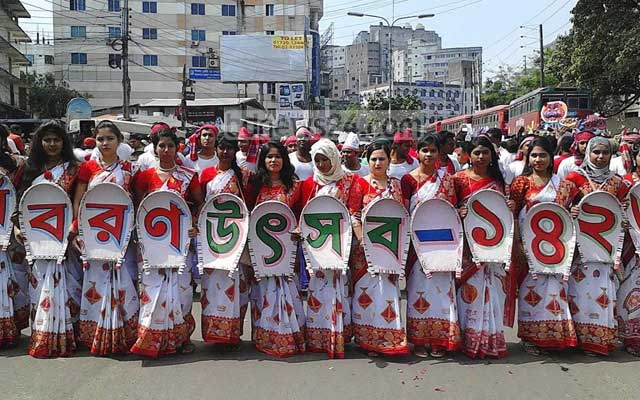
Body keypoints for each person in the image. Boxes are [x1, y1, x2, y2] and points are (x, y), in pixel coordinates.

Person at [130, 128, 203, 357]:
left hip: (181, 243)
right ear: (154, 148)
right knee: (152, 291)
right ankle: (151, 338)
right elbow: (138, 206)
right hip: (152, 244)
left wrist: (194, 224)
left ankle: (182, 339)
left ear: (177, 148)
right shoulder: (144, 176)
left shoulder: (189, 176)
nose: (166, 150)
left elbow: (199, 205)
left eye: (171, 145)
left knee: (181, 291)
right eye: (161, 146)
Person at [71, 121, 139, 355]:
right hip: (94, 234)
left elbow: (135, 201)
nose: (105, 143)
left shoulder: (130, 169)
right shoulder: (87, 168)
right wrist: (77, 228)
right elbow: (79, 200)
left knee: (125, 280)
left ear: (119, 141)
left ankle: (125, 335)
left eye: (110, 138)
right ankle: (95, 334)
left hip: (121, 235)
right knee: (95, 282)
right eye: (100, 139)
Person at [561, 136, 631, 356]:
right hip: (579, 252)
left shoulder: (618, 183)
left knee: (603, 293)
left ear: (611, 155)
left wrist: (625, 218)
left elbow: (626, 210)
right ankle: (578, 339)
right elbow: (556, 209)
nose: (600, 157)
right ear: (588, 154)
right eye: (596, 152)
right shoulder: (572, 178)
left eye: (605, 153)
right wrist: (568, 212)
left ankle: (599, 341)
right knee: (579, 294)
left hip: (605, 251)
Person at [17, 120, 81, 357]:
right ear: (39, 143)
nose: (52, 144)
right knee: (40, 287)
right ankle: (44, 335)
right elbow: (21, 200)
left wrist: (74, 228)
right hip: (38, 237)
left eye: (57, 140)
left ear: (64, 142)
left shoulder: (73, 169)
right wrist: (17, 226)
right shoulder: (30, 168)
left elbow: (79, 201)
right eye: (47, 140)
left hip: (65, 238)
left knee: (70, 286)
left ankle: (68, 335)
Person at [509, 136, 577, 355]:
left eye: (543, 155)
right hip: (528, 246)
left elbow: (569, 214)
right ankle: (531, 336)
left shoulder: (565, 185)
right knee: (530, 289)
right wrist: (517, 243)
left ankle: (555, 335)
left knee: (555, 290)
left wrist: (574, 212)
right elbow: (512, 213)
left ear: (551, 158)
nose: (537, 160)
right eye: (534, 155)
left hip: (556, 246)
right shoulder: (521, 183)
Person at [299, 138, 363, 358]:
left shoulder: (351, 182)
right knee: (318, 290)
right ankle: (318, 336)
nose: (321, 164)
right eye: (317, 160)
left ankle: (340, 335)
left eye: (325, 159)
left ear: (334, 158)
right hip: (316, 247)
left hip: (340, 246)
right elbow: (304, 213)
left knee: (339, 288)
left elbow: (354, 212)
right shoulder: (309, 184)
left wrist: (358, 237)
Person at [452, 135, 515, 359]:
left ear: (492, 156)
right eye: (476, 152)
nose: (480, 157)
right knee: (469, 293)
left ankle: (489, 340)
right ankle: (468, 339)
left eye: (485, 153)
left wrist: (510, 206)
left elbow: (506, 213)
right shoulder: (457, 179)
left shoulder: (499, 181)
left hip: (493, 248)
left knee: (494, 291)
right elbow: (449, 209)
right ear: (469, 155)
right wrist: (458, 212)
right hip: (468, 246)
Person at [401, 134, 460, 358]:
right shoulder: (408, 180)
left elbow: (452, 209)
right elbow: (405, 211)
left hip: (442, 241)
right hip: (418, 243)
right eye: (424, 150)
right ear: (417, 153)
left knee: (441, 290)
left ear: (438, 154)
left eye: (432, 150)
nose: (428, 154)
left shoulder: (447, 179)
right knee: (418, 290)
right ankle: (419, 340)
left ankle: (440, 338)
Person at [245, 141, 306, 357]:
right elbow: (246, 211)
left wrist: (300, 227)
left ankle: (291, 336)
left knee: (289, 290)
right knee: (263, 292)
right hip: (261, 250)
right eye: (269, 157)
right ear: (263, 160)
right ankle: (266, 337)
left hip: (287, 249)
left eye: (278, 156)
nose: (273, 160)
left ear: (284, 159)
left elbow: (302, 212)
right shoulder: (254, 185)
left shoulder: (296, 186)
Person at [350, 140, 408, 356]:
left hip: (390, 249)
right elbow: (354, 214)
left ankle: (390, 337)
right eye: (373, 159)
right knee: (368, 292)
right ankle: (368, 340)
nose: (377, 163)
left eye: (381, 159)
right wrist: (362, 239)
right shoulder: (360, 184)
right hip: (364, 250)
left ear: (388, 160)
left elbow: (402, 214)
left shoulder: (397, 185)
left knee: (389, 293)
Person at [198, 135, 252, 347]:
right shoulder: (206, 175)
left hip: (235, 240)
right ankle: (214, 334)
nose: (225, 152)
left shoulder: (244, 176)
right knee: (212, 285)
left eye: (230, 148)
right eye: (222, 147)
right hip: (212, 238)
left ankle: (233, 334)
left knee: (236, 286)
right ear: (217, 149)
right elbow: (201, 204)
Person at [0, 124, 28, 348]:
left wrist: (18, 225)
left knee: (16, 277)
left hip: (12, 230)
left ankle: (12, 327)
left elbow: (24, 196)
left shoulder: (20, 165)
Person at [619, 144, 640, 356]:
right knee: (632, 291)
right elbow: (615, 209)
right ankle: (631, 337)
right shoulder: (626, 182)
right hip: (631, 246)